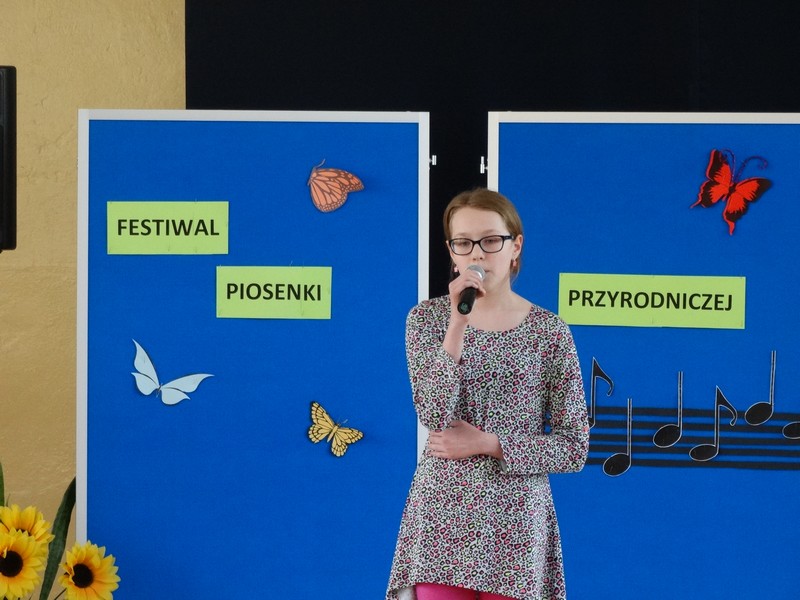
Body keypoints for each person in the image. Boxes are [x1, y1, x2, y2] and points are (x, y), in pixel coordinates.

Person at [386, 188, 590, 600]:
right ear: (451, 252)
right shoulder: (425, 320)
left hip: (516, 519)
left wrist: (488, 443)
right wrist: (457, 323)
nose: (477, 254)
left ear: (516, 246)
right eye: (463, 243)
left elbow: (574, 448)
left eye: (491, 240)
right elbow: (433, 413)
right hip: (443, 516)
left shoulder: (549, 332)